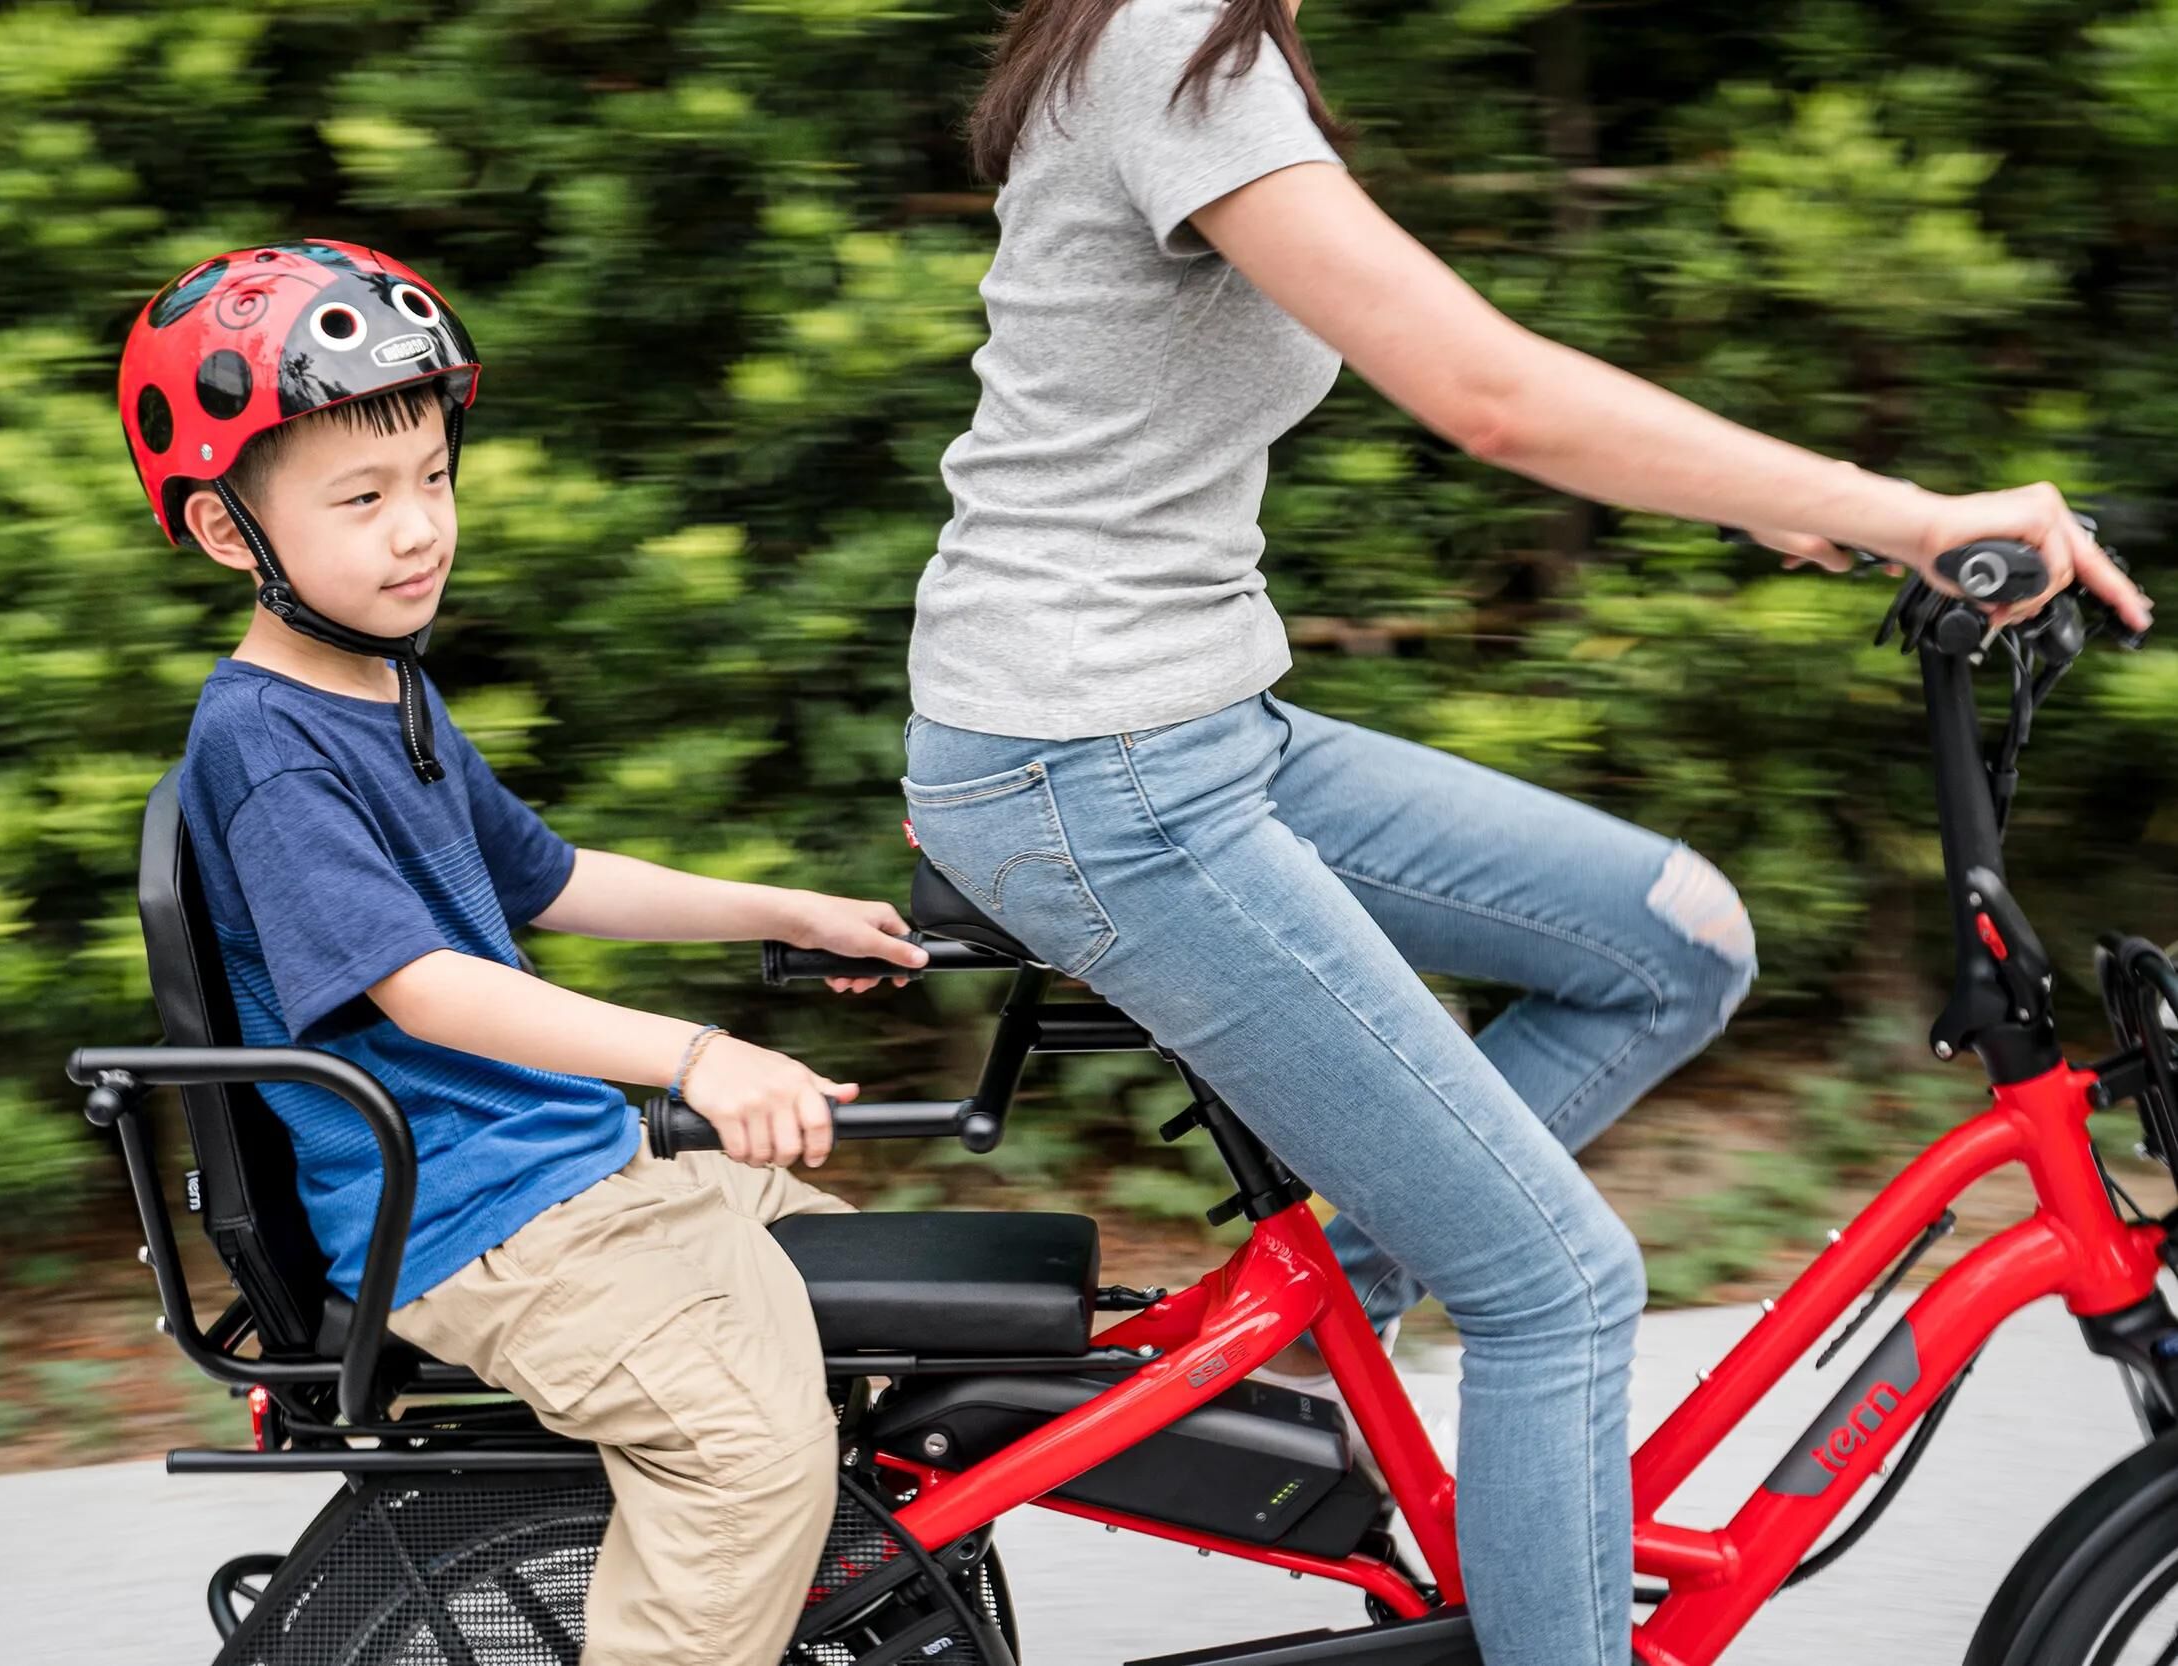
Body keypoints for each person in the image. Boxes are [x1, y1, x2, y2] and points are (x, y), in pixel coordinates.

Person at [899, 4, 2155, 1664]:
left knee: (1673, 938)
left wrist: (1788, 495)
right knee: (1557, 1285)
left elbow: (1458, 352)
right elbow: (1486, 392)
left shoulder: (1189, 43)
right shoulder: (1176, 36)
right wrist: (1910, 513)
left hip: (1192, 725)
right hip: (1096, 761)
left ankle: (1331, 1307)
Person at [117, 238, 930, 1666]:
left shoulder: (384, 687)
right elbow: (421, 987)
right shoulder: (268, 746)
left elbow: (547, 878)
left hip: (564, 1167)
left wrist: (783, 909)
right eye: (362, 498)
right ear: (229, 532)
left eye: (433, 478)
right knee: (746, 1450)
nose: (418, 528)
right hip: (476, 1218)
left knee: (903, 1320)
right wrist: (695, 1055)